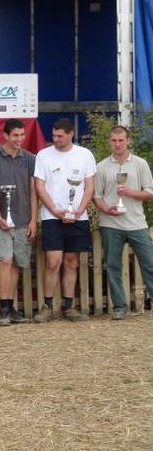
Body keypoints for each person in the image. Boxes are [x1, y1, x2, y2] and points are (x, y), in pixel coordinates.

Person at [33, 117, 95, 323]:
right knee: (53, 261)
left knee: (72, 261)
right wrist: (54, 210)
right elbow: (39, 186)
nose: (56, 140)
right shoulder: (43, 155)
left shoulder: (85, 155)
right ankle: (47, 306)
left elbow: (89, 185)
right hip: (52, 216)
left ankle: (69, 306)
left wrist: (79, 211)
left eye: (60, 136)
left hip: (78, 216)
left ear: (70, 134)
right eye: (54, 136)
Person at [93, 125, 153, 320]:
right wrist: (105, 209)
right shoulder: (101, 166)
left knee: (150, 263)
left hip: (137, 223)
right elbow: (97, 196)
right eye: (114, 140)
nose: (117, 144)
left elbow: (149, 193)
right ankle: (119, 307)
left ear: (128, 141)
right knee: (113, 266)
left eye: (121, 140)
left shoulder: (140, 164)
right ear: (110, 141)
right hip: (110, 223)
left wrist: (129, 192)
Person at [0, 119, 36, 326]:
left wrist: (33, 219)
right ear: (5, 136)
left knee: (16, 263)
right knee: (4, 260)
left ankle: (10, 306)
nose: (20, 139)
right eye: (15, 135)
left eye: (22, 135)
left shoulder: (30, 158)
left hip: (23, 220)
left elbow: (33, 190)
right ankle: (3, 307)